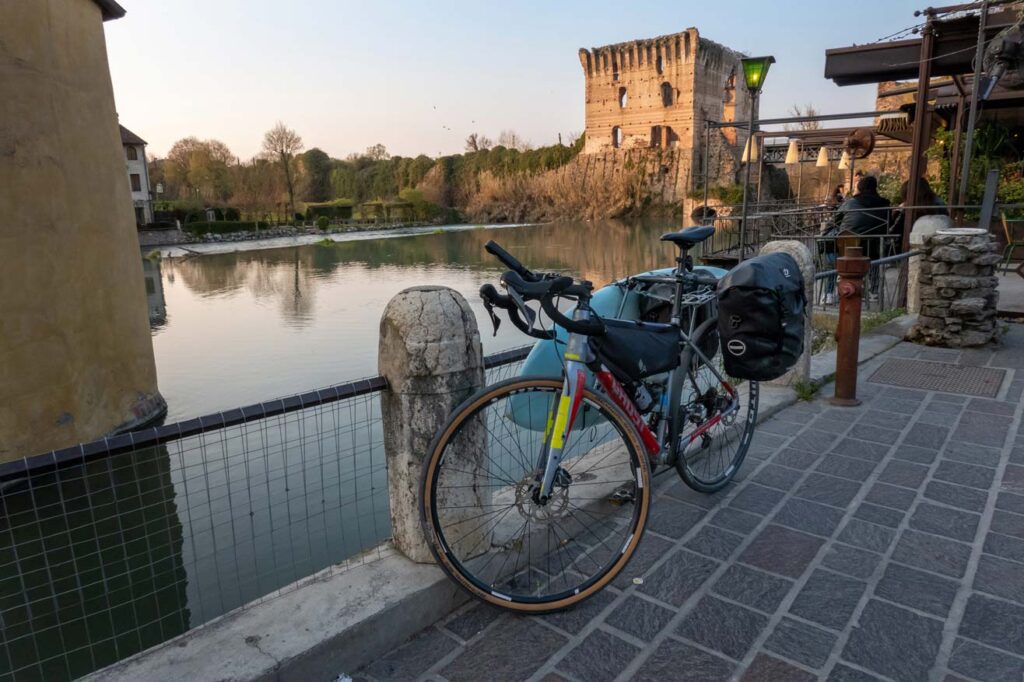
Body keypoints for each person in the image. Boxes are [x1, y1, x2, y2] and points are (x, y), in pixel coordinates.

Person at [891, 178, 948, 250]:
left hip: (908, 248)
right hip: (938, 246)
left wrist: (897, 212)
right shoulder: (938, 206)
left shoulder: (907, 211)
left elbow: (893, 231)